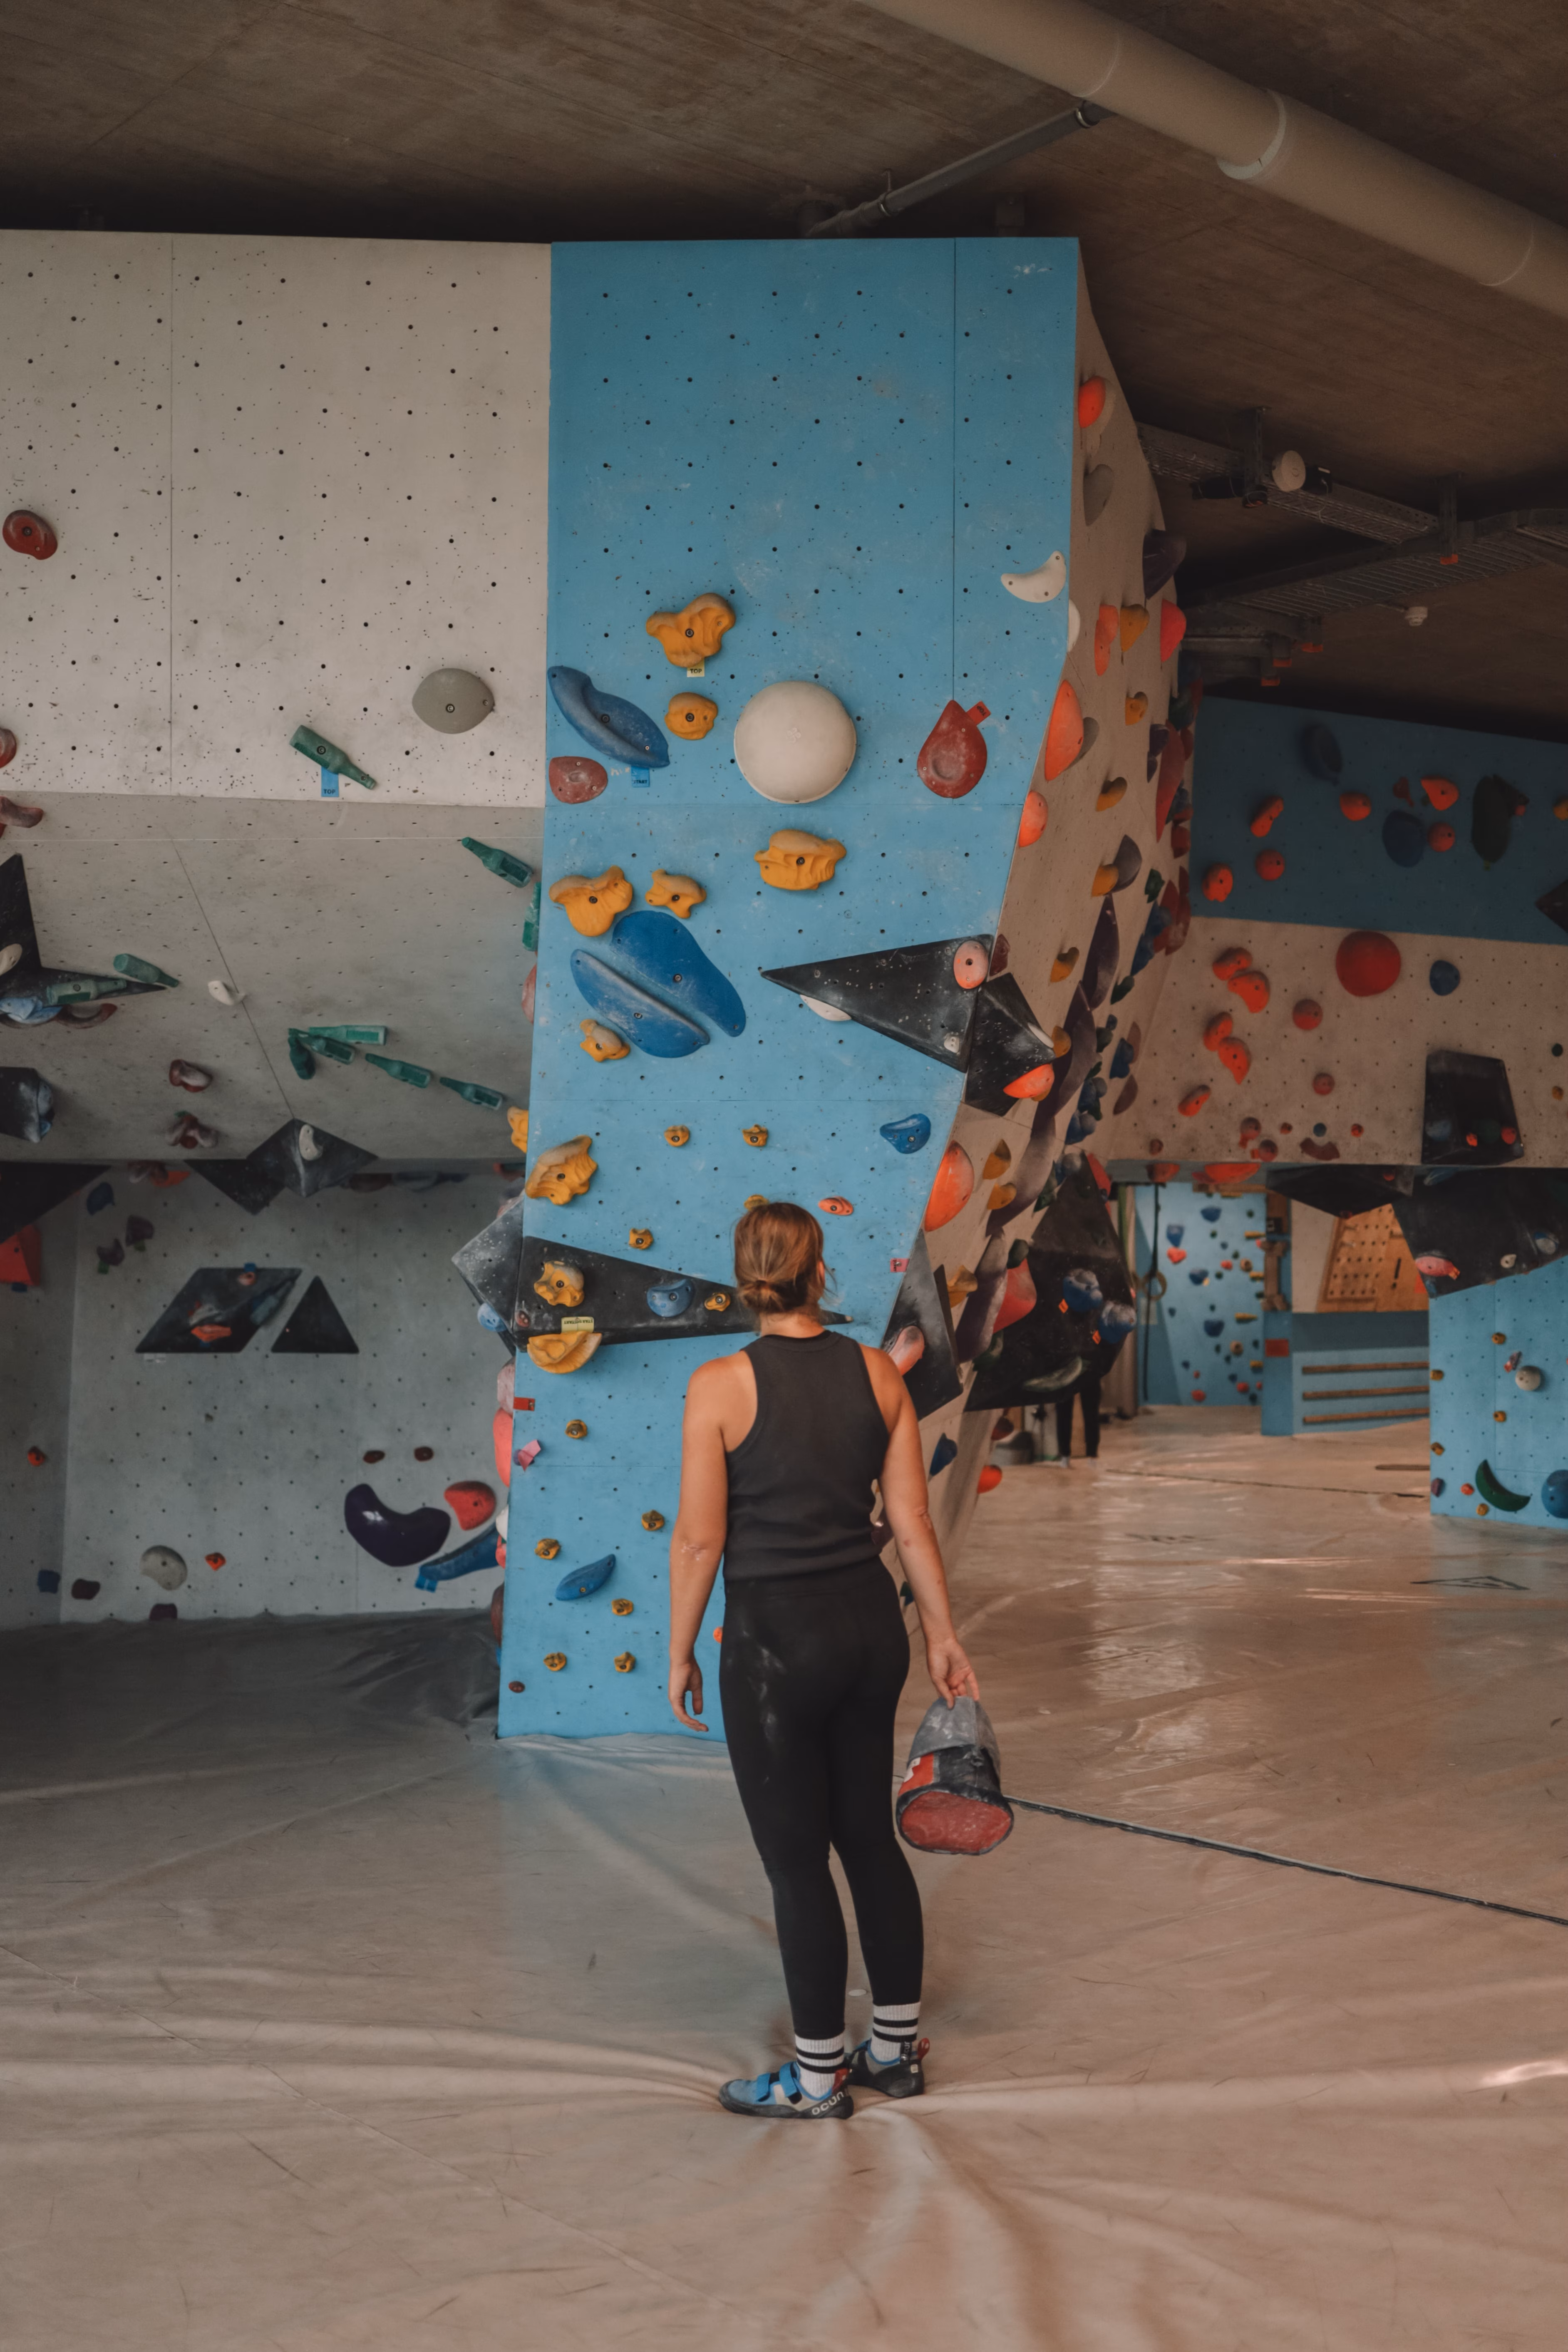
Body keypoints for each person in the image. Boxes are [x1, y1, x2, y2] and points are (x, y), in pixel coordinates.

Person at [668, 1200, 978, 2120]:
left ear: (744, 1273)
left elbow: (697, 1542)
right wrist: (943, 1634)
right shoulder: (880, 1375)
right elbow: (914, 1525)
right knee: (867, 1840)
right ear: (819, 1272)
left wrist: (681, 1648)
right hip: (867, 1634)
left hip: (775, 1649)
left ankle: (813, 2081)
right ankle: (892, 2051)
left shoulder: (718, 1385)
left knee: (796, 1861)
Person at [1054, 1367, 1101, 1464]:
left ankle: (1092, 1453)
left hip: (1089, 1366)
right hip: (1067, 1367)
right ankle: (1065, 1454)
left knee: (1091, 1411)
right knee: (1064, 1411)